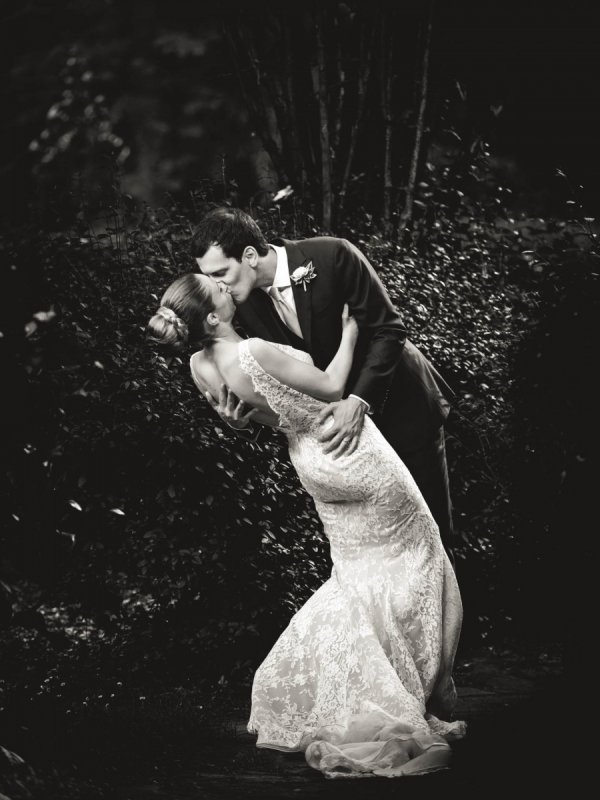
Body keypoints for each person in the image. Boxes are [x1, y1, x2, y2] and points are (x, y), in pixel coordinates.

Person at [147, 272, 465, 778]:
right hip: (351, 448)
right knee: (423, 548)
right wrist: (352, 333)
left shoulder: (198, 366)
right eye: (218, 289)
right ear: (211, 316)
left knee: (357, 576)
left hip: (310, 461)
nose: (228, 289)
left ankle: (370, 680)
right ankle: (406, 683)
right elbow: (333, 386)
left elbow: (269, 418)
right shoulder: (251, 351)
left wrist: (243, 424)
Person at [191, 208, 457, 562]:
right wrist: (242, 421)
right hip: (347, 452)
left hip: (402, 411)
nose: (217, 286)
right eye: (209, 277)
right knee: (387, 557)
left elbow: (388, 329)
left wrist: (359, 400)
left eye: (221, 272)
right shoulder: (241, 306)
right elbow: (276, 386)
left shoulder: (332, 255)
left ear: (250, 256)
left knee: (433, 540)